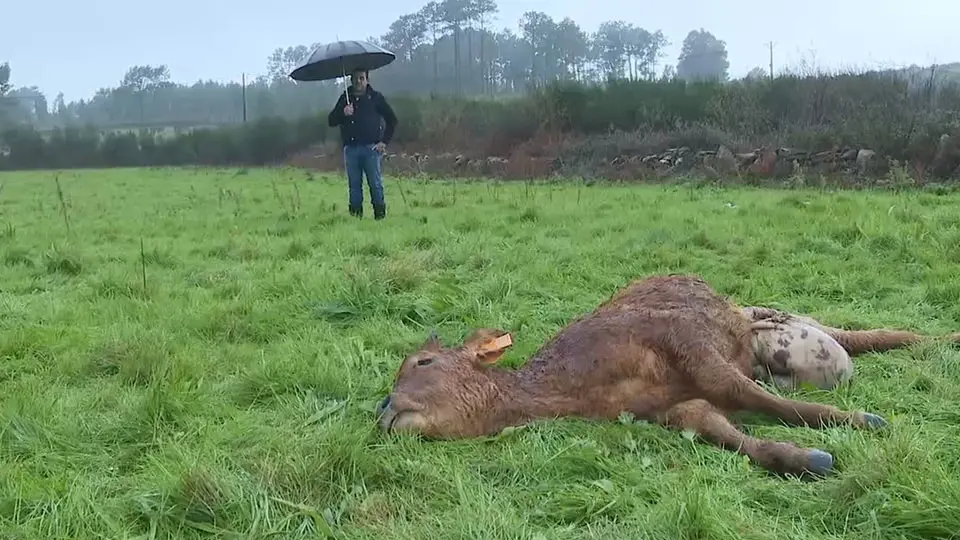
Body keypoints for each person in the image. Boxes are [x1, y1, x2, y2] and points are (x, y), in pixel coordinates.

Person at [327, 68, 398, 220]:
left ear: (367, 80)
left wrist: (384, 142)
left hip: (371, 149)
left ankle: (380, 216)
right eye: (355, 78)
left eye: (361, 78)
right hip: (351, 150)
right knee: (354, 186)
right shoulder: (345, 99)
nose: (358, 82)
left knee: (375, 184)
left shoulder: (376, 98)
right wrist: (343, 112)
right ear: (351, 80)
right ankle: (355, 218)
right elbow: (331, 121)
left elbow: (392, 120)